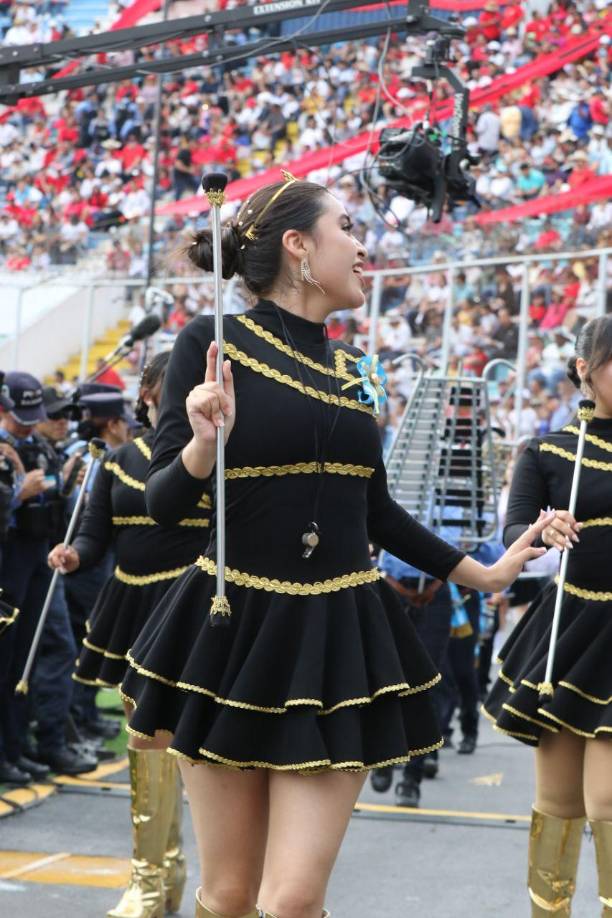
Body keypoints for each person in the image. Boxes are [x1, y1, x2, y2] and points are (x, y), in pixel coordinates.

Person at [119, 174, 551, 918]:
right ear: (298, 247)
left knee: (291, 900)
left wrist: (481, 573)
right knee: (226, 895)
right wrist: (199, 444)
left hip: (336, 638)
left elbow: (373, 507)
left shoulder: (356, 370)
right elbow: (162, 504)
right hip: (228, 631)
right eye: (347, 227)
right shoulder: (211, 342)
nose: (363, 246)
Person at [49, 353, 210, 918]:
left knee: (197, 747)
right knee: (146, 740)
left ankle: (199, 880)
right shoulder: (116, 460)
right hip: (131, 607)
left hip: (192, 608)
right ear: (145, 399)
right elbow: (96, 532)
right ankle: (153, 876)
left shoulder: (212, 455)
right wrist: (74, 554)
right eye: (164, 392)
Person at [484, 316, 612, 916]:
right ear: (585, 370)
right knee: (559, 804)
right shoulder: (549, 452)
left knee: (608, 798)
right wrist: (543, 527)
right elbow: (513, 529)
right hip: (571, 629)